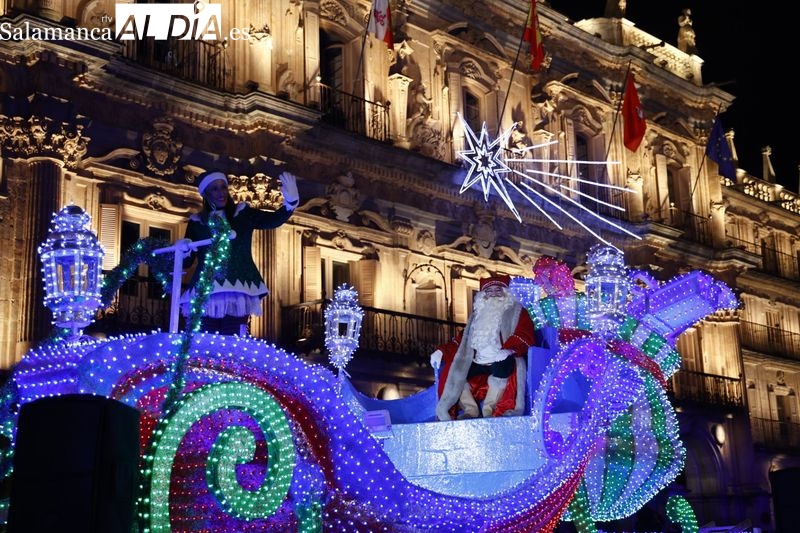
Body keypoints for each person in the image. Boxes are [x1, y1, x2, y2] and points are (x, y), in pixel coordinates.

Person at [180, 169, 299, 335]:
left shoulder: (242, 214)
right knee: (206, 343)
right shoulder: (197, 223)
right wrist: (183, 250)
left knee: (232, 341)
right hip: (206, 290)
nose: (221, 193)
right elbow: (186, 262)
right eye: (214, 189)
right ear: (205, 193)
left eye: (223, 187)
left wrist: (290, 204)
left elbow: (271, 221)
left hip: (238, 286)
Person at [430, 275, 536, 421]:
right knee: (455, 370)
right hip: (478, 361)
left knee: (502, 366)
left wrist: (509, 349)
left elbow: (525, 334)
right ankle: (470, 410)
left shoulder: (518, 312)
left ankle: (489, 410)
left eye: (498, 290)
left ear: (505, 292)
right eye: (489, 291)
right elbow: (461, 341)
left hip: (502, 357)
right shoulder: (476, 316)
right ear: (483, 295)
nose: (493, 294)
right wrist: (441, 351)